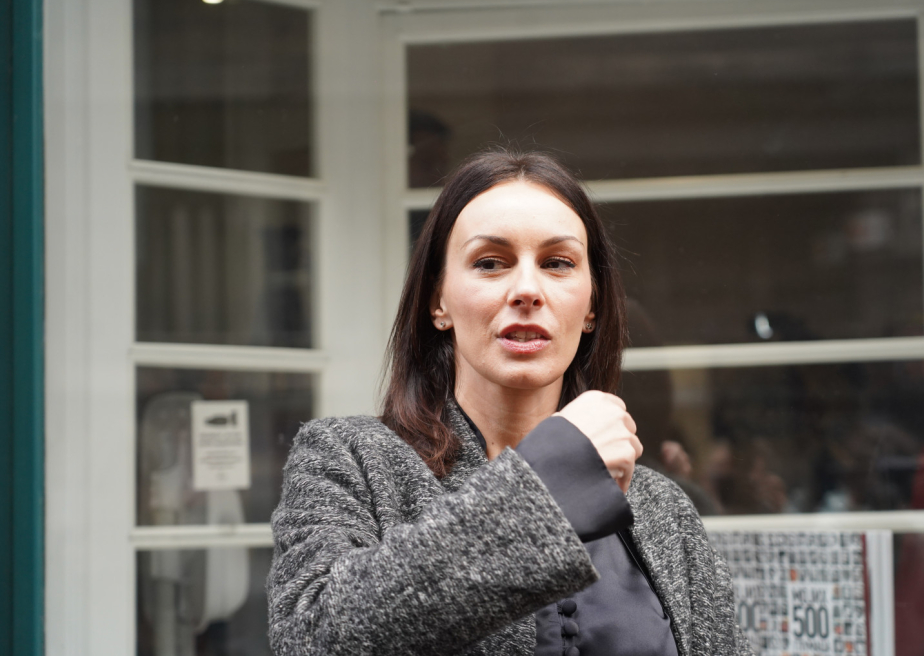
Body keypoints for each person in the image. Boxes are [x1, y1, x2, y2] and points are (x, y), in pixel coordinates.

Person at [266, 149, 752, 656]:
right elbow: (310, 640)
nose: (526, 290)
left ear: (592, 305)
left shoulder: (661, 507)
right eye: (490, 263)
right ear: (438, 300)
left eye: (557, 263)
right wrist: (547, 487)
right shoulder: (350, 459)